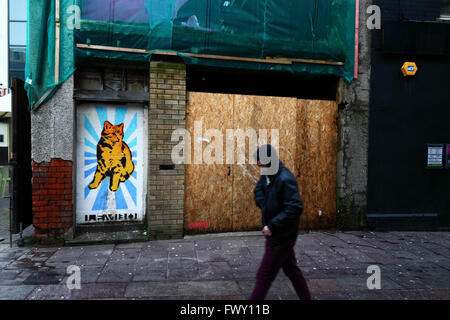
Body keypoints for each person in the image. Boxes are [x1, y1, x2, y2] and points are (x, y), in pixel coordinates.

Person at [249, 144, 311, 300]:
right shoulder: (268, 175)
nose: (260, 168)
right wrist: (265, 205)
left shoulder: (284, 178)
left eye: (261, 164)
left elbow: (295, 207)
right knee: (292, 271)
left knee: (264, 275)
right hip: (278, 235)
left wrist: (272, 224)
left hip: (281, 236)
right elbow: (258, 190)